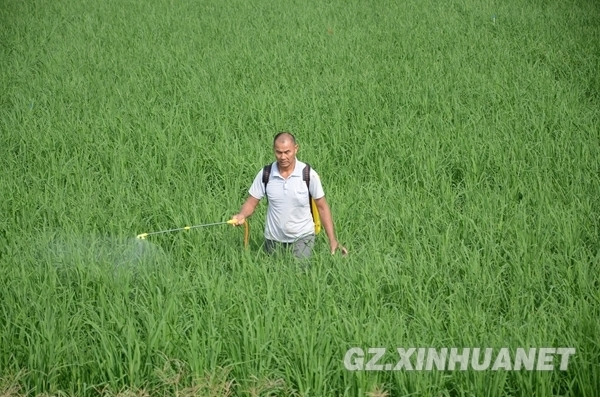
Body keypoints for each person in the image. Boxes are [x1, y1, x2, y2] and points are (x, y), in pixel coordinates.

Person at [232, 132, 348, 259]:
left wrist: (332, 239)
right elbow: (251, 202)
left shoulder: (308, 174)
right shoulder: (266, 174)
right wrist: (241, 215)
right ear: (273, 151)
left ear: (296, 149)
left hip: (303, 238)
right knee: (272, 276)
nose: (283, 157)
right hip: (273, 239)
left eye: (287, 152)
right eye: (279, 152)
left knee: (299, 274)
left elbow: (322, 207)